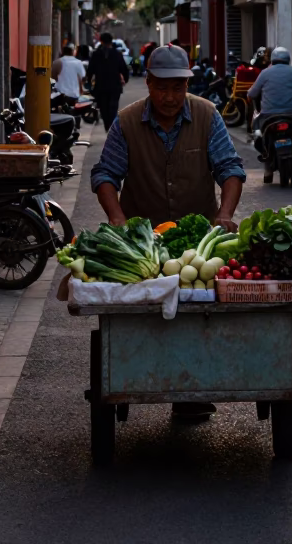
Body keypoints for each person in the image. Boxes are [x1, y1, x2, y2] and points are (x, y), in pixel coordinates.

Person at [91, 45, 245, 419]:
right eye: (162, 88)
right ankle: (130, 376)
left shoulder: (207, 115)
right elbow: (106, 174)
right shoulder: (127, 122)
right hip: (144, 244)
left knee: (196, 316)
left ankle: (190, 390)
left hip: (197, 243)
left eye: (178, 88)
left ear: (187, 85)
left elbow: (230, 168)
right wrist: (117, 217)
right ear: (149, 83)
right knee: (141, 317)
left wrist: (225, 214)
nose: (170, 97)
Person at [247, 46, 292, 183]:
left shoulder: (265, 73)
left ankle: (268, 170)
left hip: (268, 116)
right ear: (288, 59)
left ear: (272, 59)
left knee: (262, 138)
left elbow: (252, 93)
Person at [87, 31, 130, 130]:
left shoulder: (96, 54)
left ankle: (109, 127)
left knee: (104, 109)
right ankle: (112, 127)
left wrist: (89, 82)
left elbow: (90, 70)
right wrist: (125, 80)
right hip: (115, 86)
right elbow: (124, 69)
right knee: (113, 108)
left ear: (101, 41)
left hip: (100, 87)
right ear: (111, 41)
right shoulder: (117, 54)